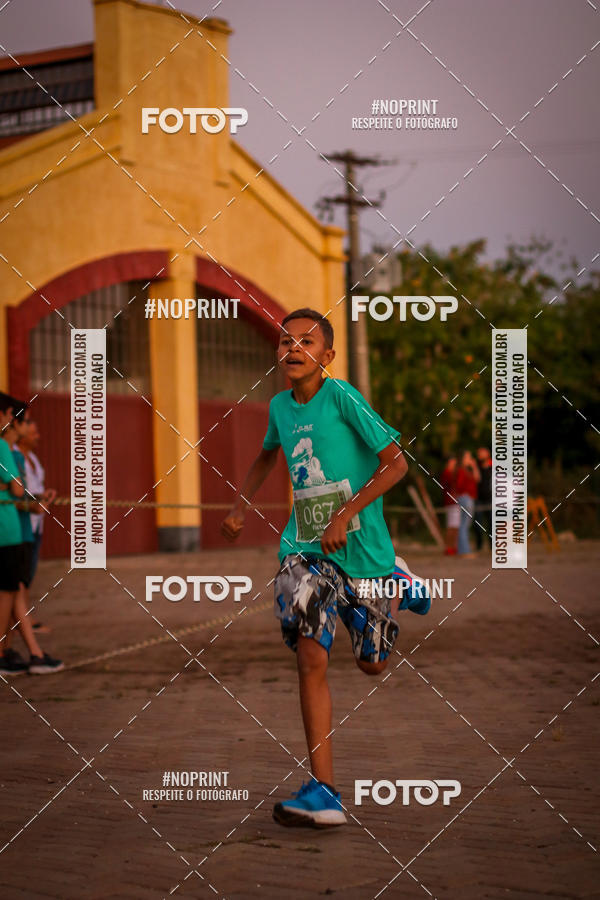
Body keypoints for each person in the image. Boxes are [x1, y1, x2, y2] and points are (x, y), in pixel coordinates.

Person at [221, 308, 429, 828]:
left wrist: (348, 512)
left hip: (366, 554)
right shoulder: (278, 407)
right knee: (311, 654)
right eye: (285, 341)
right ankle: (325, 790)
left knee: (371, 665)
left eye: (306, 341)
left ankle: (399, 583)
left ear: (327, 356)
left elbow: (397, 462)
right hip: (305, 549)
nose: (292, 349)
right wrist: (240, 506)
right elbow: (268, 456)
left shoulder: (343, 398)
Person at [0, 395, 63, 675]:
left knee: (15, 594)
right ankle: (20, 653)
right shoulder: (5, 448)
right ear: (10, 416)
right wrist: (35, 502)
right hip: (12, 530)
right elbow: (16, 492)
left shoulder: (16, 453)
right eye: (26, 423)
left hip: (19, 529)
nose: (31, 430)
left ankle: (13, 651)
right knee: (12, 594)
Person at [17, 417, 56, 629]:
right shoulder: (13, 456)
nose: (37, 437)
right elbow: (17, 493)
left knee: (30, 572)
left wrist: (43, 494)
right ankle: (22, 619)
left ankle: (25, 615)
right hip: (24, 521)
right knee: (22, 573)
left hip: (37, 521)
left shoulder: (32, 457)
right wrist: (34, 501)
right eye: (33, 433)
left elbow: (33, 488)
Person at [455, 450, 480, 557]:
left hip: (468, 498)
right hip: (465, 498)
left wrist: (474, 467)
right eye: (469, 457)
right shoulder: (461, 470)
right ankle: (464, 551)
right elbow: (459, 485)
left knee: (464, 525)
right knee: (464, 525)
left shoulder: (467, 470)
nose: (470, 459)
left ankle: (463, 550)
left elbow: (478, 479)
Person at [474, 447, 492, 551]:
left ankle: (492, 546)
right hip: (479, 499)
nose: (480, 456)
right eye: (479, 454)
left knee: (492, 524)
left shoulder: (493, 467)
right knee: (478, 524)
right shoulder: (476, 467)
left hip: (490, 499)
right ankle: (479, 545)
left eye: (482, 454)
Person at [440, 456, 459, 555]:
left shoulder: (452, 474)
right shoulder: (447, 473)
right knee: (451, 526)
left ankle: (453, 546)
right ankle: (448, 547)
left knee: (455, 526)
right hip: (451, 502)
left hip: (455, 502)